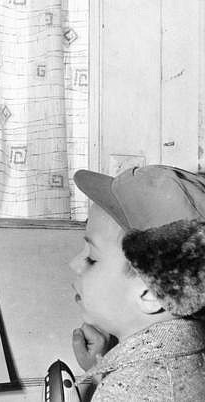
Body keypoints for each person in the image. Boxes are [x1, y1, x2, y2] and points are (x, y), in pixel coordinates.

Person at [69, 165, 205, 401]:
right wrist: (104, 370)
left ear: (150, 294)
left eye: (92, 258)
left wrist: (113, 386)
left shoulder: (126, 391)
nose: (74, 263)